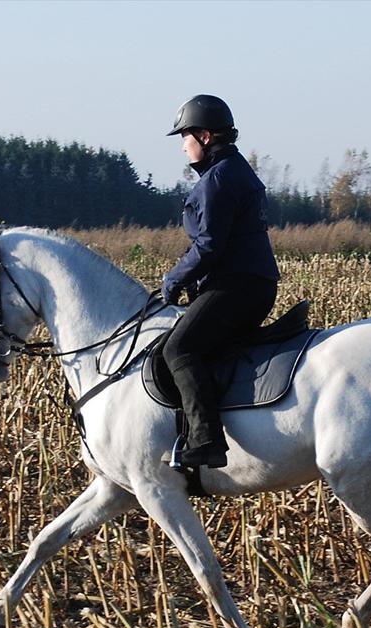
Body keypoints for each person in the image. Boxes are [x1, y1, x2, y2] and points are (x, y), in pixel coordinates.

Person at [160, 95, 280, 469]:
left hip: (235, 286)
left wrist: (175, 276)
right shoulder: (234, 170)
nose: (183, 144)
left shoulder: (218, 179)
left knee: (178, 350)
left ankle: (207, 440)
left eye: (186, 136)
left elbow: (209, 244)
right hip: (250, 283)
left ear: (206, 136)